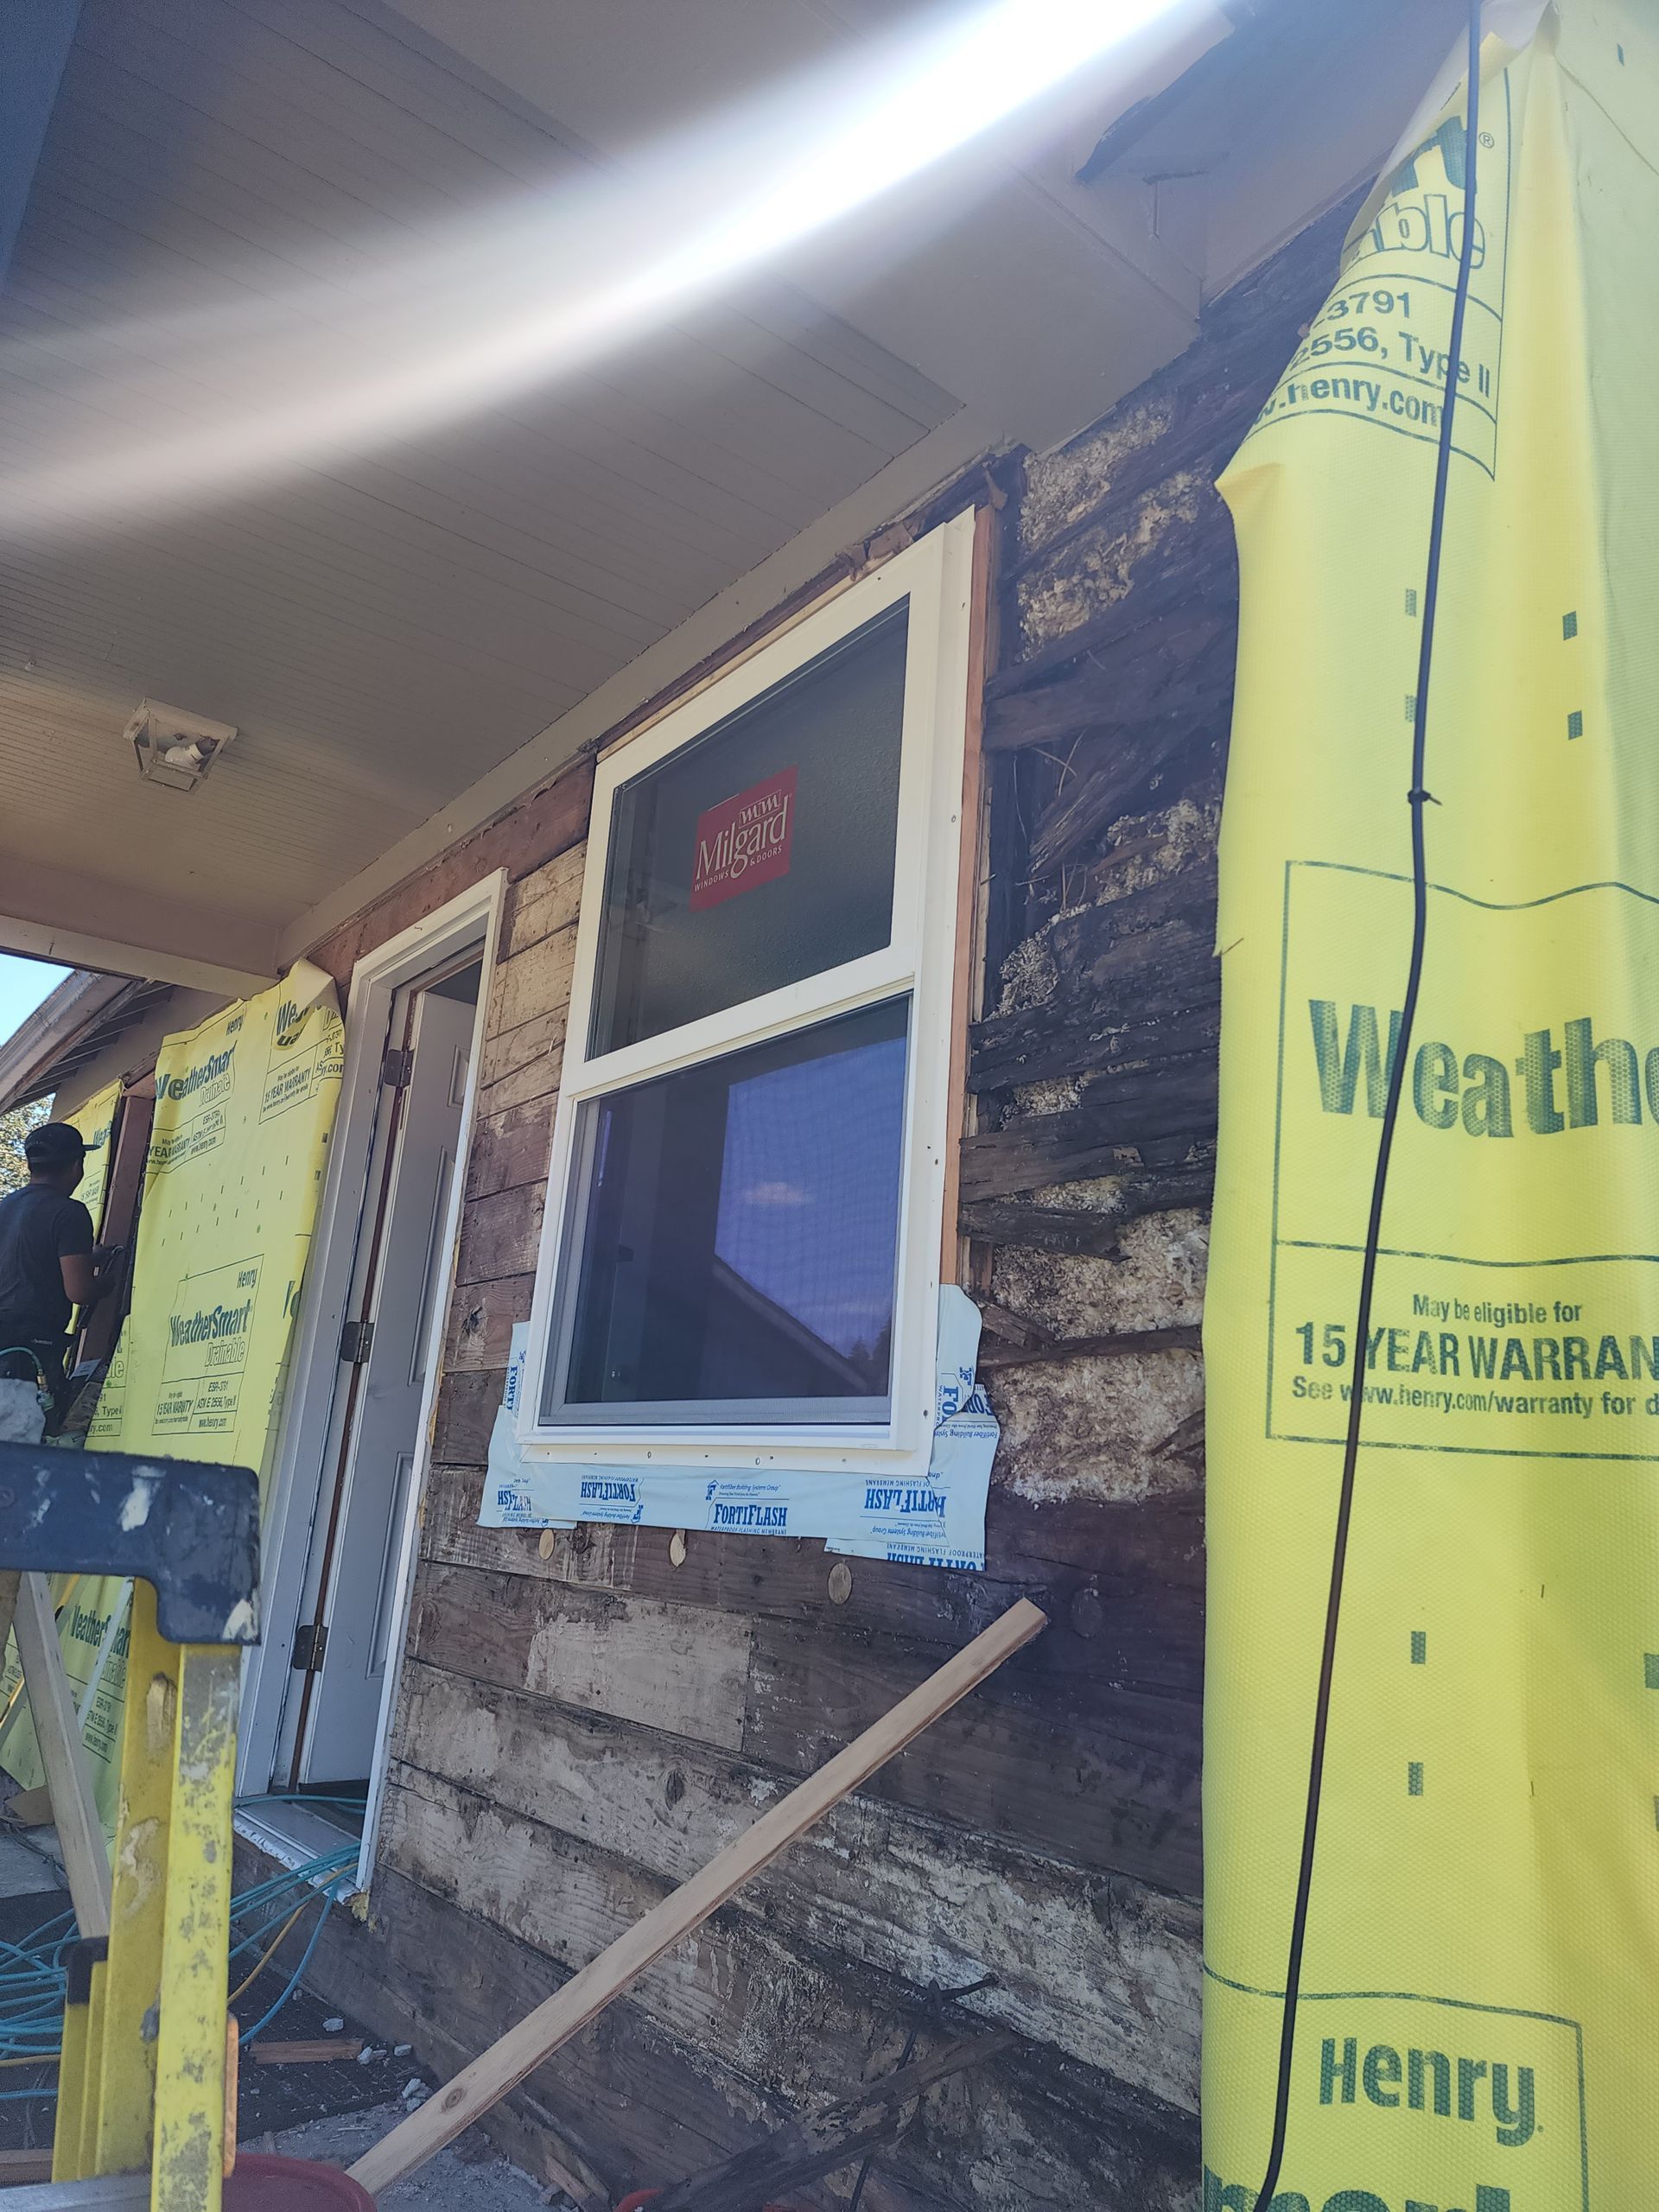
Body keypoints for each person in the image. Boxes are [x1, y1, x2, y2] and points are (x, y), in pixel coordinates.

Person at [0, 1122, 118, 1431]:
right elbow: (80, 1292)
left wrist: (85, 1258)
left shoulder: (6, 1206)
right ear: (77, 1165)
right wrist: (108, 1281)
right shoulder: (69, 1212)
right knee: (27, 1443)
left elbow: (25, 1259)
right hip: (29, 1354)